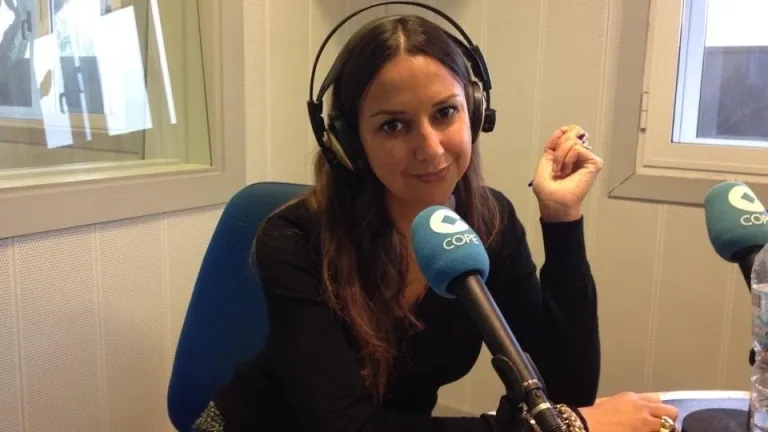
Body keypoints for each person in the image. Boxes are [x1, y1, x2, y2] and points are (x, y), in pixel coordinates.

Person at [192, 10, 680, 432]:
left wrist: (561, 218)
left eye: (445, 112)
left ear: (475, 112)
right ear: (348, 140)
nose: (429, 148)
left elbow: (565, 390)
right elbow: (348, 426)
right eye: (393, 125)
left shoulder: (490, 225)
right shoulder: (295, 240)